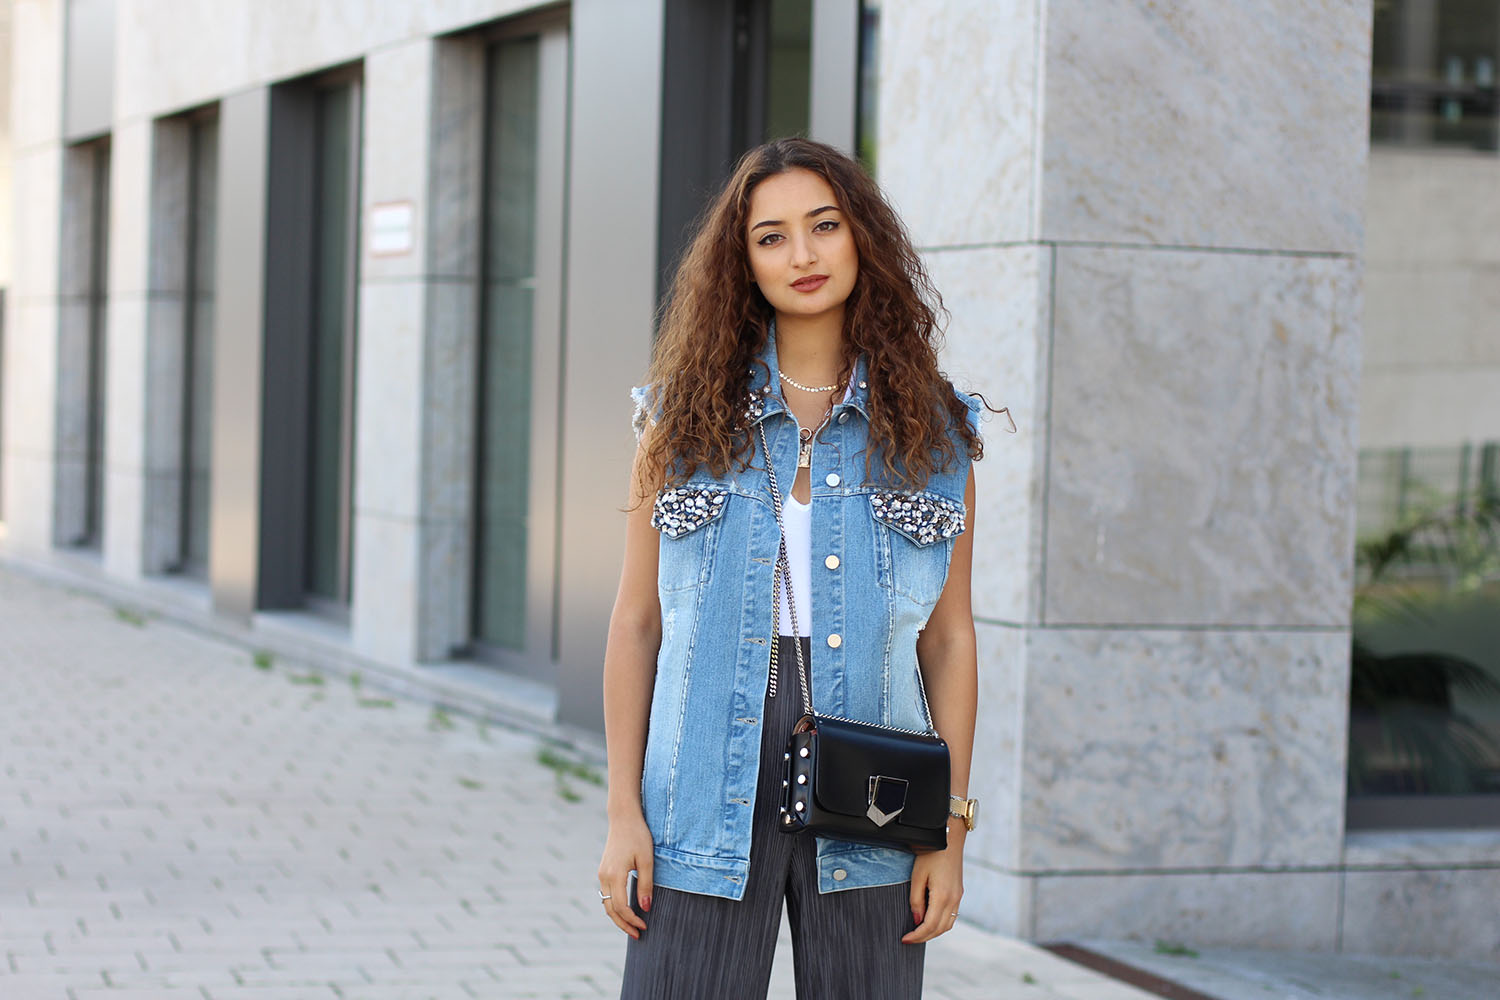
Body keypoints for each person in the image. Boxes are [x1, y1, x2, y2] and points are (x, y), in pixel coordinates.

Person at [597, 137, 986, 1000]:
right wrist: (624, 811)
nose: (802, 255)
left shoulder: (936, 434)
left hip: (878, 779)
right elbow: (635, 625)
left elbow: (951, 642)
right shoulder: (677, 424)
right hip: (701, 772)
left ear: (863, 240)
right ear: (742, 264)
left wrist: (949, 831)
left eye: (824, 226)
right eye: (771, 237)